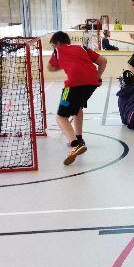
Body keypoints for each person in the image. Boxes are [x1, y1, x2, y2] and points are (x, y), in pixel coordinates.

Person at [47, 31, 107, 166]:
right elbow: (103, 61)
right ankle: (79, 138)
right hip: (92, 83)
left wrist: (62, 63)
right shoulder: (82, 47)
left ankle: (75, 144)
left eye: (53, 45)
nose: (54, 47)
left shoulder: (58, 50)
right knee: (77, 107)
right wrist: (98, 77)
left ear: (57, 43)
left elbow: (50, 68)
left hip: (72, 85)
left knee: (61, 117)